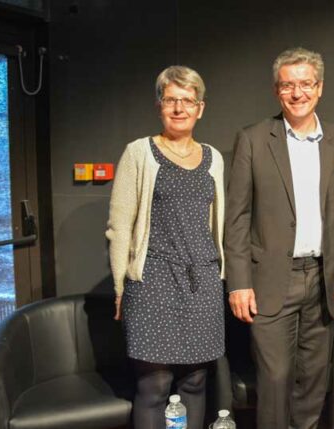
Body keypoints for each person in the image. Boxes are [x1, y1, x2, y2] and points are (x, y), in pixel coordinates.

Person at [223, 47, 334, 429]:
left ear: (319, 88)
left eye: (305, 84)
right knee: (274, 380)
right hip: (270, 282)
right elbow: (236, 218)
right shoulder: (252, 139)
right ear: (276, 91)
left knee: (314, 381)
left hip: (325, 279)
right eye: (288, 85)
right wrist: (238, 283)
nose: (297, 93)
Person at [106, 65, 225, 428]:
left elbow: (214, 224)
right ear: (159, 106)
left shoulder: (213, 157)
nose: (179, 108)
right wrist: (118, 286)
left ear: (200, 107)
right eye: (171, 100)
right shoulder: (139, 153)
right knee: (154, 386)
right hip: (153, 280)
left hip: (201, 283)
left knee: (196, 380)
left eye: (187, 100)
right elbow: (119, 226)